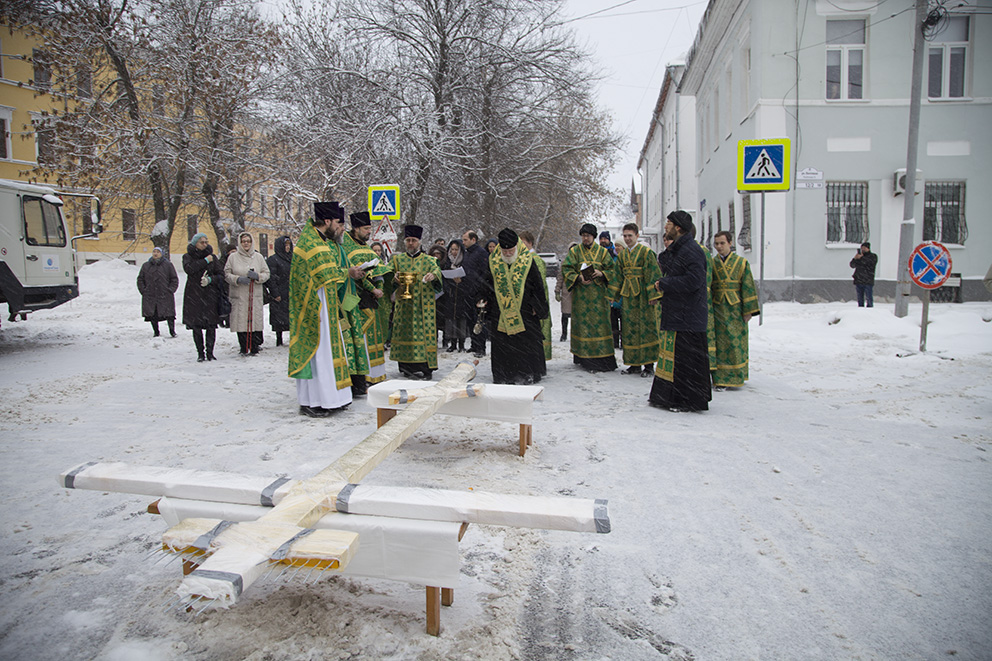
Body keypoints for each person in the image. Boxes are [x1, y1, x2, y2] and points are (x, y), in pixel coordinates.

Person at [289, 201, 366, 417]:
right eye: (337, 222)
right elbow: (325, 275)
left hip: (326, 304)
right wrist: (346, 273)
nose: (340, 227)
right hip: (316, 306)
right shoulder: (313, 243)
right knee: (319, 354)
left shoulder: (318, 240)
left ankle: (332, 398)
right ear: (327, 221)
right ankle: (313, 401)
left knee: (328, 353)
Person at [649, 210, 712, 412]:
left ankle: (688, 401)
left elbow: (694, 281)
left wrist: (665, 284)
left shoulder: (692, 250)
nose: (665, 226)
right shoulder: (680, 249)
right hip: (679, 314)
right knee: (676, 360)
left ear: (678, 227)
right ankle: (670, 398)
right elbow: (668, 264)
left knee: (686, 362)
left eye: (668, 223)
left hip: (688, 317)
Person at [478, 228, 548, 384]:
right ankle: (503, 374)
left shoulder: (527, 260)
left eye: (511, 250)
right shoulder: (494, 261)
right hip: (500, 311)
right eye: (505, 251)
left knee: (524, 344)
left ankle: (526, 373)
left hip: (525, 311)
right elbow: (486, 283)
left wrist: (537, 305)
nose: (508, 254)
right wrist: (483, 298)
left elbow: (537, 286)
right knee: (503, 345)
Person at [342, 211, 390, 396]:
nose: (369, 231)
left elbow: (376, 270)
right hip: (357, 301)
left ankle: (375, 375)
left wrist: (380, 286)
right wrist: (372, 289)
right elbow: (359, 275)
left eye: (370, 228)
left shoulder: (367, 248)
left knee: (374, 337)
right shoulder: (347, 247)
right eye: (366, 228)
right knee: (361, 339)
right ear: (356, 228)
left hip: (371, 301)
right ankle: (365, 376)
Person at [389, 224, 443, 380]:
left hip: (422, 306)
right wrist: (394, 278)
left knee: (422, 335)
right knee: (405, 333)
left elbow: (437, 271)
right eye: (408, 240)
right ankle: (405, 366)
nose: (411, 243)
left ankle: (424, 367)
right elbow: (387, 274)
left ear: (419, 241)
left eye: (413, 240)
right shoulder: (397, 260)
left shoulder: (429, 260)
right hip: (404, 305)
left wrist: (434, 276)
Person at [562, 223, 617, 372]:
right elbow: (566, 269)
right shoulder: (575, 252)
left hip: (599, 298)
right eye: (583, 236)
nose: (585, 238)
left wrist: (602, 274)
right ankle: (584, 358)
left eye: (588, 236)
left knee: (601, 327)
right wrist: (579, 278)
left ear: (593, 236)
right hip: (581, 298)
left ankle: (602, 359)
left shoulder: (603, 252)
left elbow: (613, 270)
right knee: (584, 327)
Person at [711, 231, 760, 389]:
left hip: (735, 309)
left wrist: (748, 310)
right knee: (720, 344)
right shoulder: (712, 263)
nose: (719, 247)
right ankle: (720, 378)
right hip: (717, 308)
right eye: (716, 244)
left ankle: (737, 375)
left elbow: (747, 286)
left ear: (730, 243)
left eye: (722, 243)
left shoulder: (741, 263)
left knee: (735, 343)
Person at [615, 223, 661, 376]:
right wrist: (613, 295)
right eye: (625, 236)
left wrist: (653, 295)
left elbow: (652, 274)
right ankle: (634, 364)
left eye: (630, 236)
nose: (627, 239)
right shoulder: (622, 255)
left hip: (643, 297)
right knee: (630, 329)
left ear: (637, 236)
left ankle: (648, 365)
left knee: (646, 329)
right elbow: (617, 276)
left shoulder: (646, 253)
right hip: (628, 297)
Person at [225, 232, 270, 356]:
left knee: (254, 319)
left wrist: (258, 276)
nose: (246, 243)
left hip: (254, 293)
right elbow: (227, 274)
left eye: (248, 241)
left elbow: (267, 273)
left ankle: (254, 346)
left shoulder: (258, 257)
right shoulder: (233, 257)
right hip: (239, 294)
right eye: (243, 241)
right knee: (241, 320)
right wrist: (237, 279)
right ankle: (243, 347)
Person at [182, 233, 224, 362]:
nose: (205, 244)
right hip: (194, 295)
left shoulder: (213, 257)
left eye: (206, 242)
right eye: (202, 242)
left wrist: (211, 279)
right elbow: (189, 269)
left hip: (210, 295)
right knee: (197, 326)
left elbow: (221, 275)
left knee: (211, 325)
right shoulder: (188, 256)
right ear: (195, 244)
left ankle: (210, 352)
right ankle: (200, 353)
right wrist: (205, 261)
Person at [519, 230, 552, 363]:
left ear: (530, 243)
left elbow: (540, 283)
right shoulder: (523, 258)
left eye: (523, 243)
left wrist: (537, 303)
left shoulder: (535, 260)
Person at [136, 246, 178, 338]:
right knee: (153, 314)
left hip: (165, 294)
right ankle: (156, 331)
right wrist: (143, 290)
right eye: (154, 252)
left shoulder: (168, 265)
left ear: (161, 254)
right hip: (150, 294)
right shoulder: (146, 266)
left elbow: (174, 279)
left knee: (169, 314)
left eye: (158, 252)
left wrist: (170, 290)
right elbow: (140, 279)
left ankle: (172, 331)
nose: (155, 254)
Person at [461, 230, 489, 357]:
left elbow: (484, 272)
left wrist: (480, 289)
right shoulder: (467, 253)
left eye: (465, 240)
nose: (463, 242)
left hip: (478, 292)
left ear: (473, 240)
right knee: (470, 320)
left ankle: (481, 347)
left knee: (479, 320)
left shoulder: (481, 253)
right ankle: (474, 344)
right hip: (467, 291)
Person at [441, 239, 472, 352]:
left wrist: (461, 282)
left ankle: (461, 343)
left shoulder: (465, 261)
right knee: (451, 319)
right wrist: (450, 283)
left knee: (461, 320)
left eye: (456, 250)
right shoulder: (447, 262)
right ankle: (453, 343)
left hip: (462, 296)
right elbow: (443, 277)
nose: (454, 252)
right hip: (451, 295)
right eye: (452, 250)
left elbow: (469, 277)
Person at [265, 236, 292, 346]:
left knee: (291, 317)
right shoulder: (273, 260)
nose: (287, 247)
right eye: (285, 245)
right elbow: (271, 278)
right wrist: (275, 293)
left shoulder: (293, 258)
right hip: (280, 292)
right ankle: (279, 339)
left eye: (289, 245)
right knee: (279, 318)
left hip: (290, 292)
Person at [554, 242, 577, 341]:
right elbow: (560, 277)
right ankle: (564, 334)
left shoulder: (581, 262)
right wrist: (557, 290)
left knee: (576, 315)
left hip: (577, 292)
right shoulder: (565, 262)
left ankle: (576, 334)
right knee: (565, 314)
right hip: (566, 291)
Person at [850, 242, 878, 307]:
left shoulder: (873, 256)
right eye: (862, 248)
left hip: (868, 280)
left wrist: (861, 258)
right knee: (860, 298)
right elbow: (852, 265)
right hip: (859, 280)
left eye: (864, 248)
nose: (863, 249)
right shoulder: (859, 257)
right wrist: (855, 258)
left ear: (868, 248)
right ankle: (860, 309)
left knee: (869, 297)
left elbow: (868, 263)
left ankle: (870, 309)